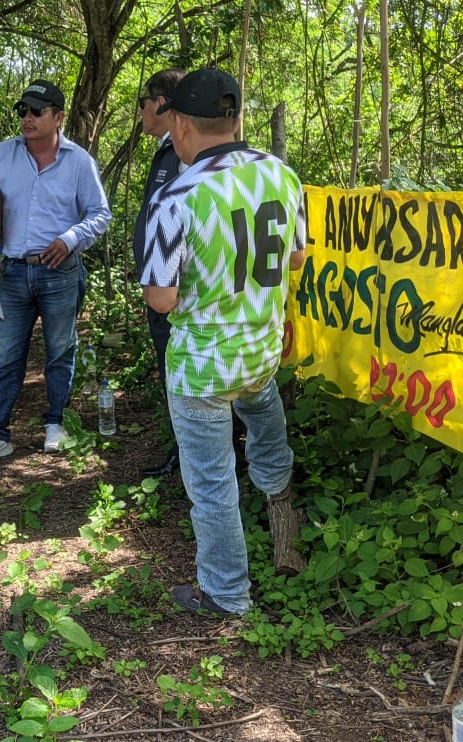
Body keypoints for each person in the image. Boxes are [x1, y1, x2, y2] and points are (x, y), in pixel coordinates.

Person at [139, 67, 309, 616]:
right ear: (235, 121)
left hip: (203, 370)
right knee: (268, 432)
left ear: (181, 126)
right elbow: (297, 258)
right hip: (261, 354)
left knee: (212, 485)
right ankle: (286, 527)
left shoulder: (177, 195)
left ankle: (227, 593)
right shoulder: (282, 175)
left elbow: (160, 299)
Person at [0, 79, 112, 463]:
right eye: (22, 111)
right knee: (6, 354)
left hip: (59, 272)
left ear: (58, 117)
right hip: (11, 271)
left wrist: (70, 239)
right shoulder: (3, 154)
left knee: (60, 350)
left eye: (36, 111)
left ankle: (56, 423)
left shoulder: (78, 161)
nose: (27, 118)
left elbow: (100, 214)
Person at [132, 68, 187, 478]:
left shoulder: (187, 154)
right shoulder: (167, 151)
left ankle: (190, 455)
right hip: (161, 286)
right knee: (170, 370)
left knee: (180, 373)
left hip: (175, 293)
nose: (140, 111)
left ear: (163, 103)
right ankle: (183, 449)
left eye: (143, 102)